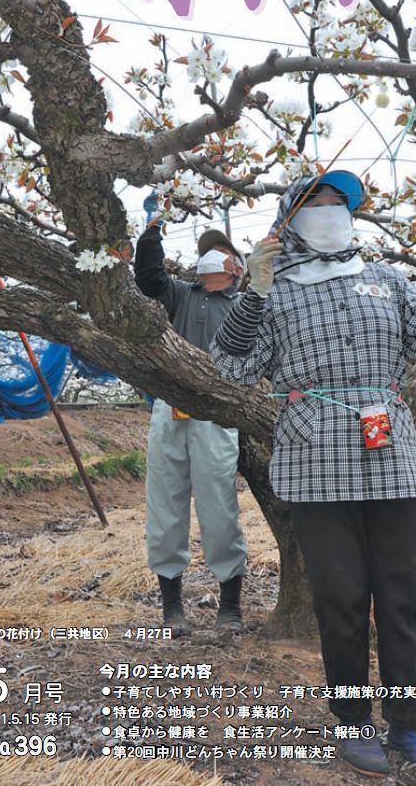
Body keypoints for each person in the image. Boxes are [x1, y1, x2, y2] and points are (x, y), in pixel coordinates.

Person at [210, 170, 416, 780]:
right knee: (341, 598)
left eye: (339, 203)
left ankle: (408, 724)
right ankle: (353, 722)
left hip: (392, 457)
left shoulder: (385, 280)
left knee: (403, 599)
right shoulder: (273, 291)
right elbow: (230, 367)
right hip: (314, 459)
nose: (330, 211)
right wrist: (252, 290)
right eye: (315, 203)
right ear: (288, 218)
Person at [134, 222, 248, 635]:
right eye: (207, 251)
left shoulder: (243, 306)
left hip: (216, 414)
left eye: (219, 251)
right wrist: (150, 237)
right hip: (170, 408)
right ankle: (172, 608)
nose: (210, 256)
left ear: (236, 267)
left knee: (219, 507)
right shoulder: (182, 294)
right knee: (165, 505)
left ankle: (230, 605)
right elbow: (149, 280)